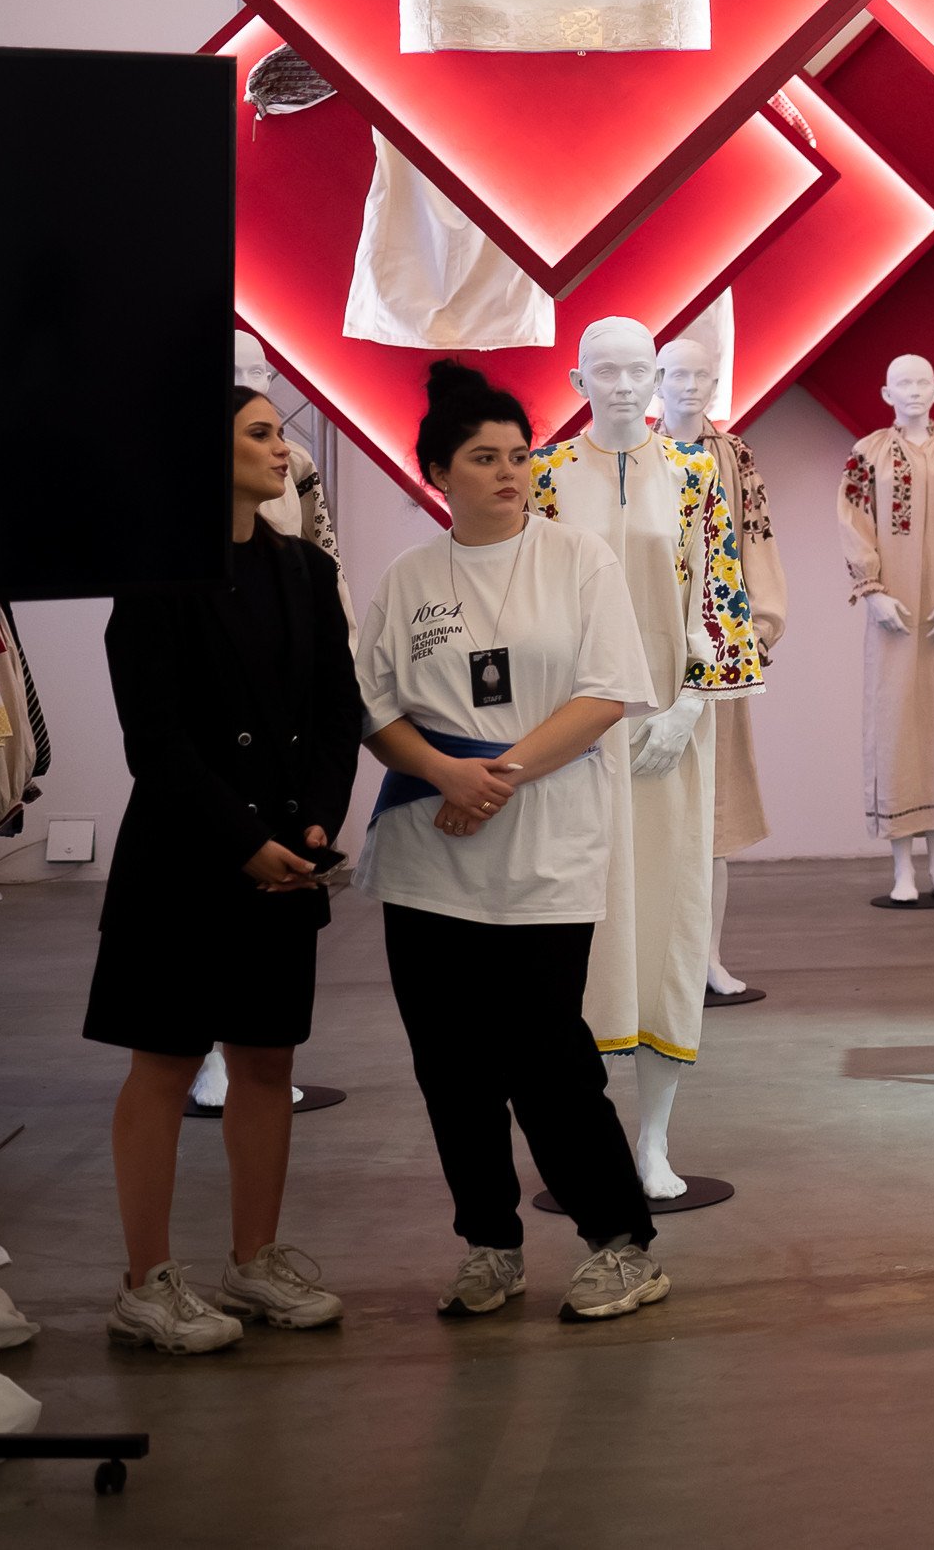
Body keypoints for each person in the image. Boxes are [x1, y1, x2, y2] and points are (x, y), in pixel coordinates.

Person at [356, 361, 673, 1325]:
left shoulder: (578, 559)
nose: (509, 472)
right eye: (484, 457)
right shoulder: (408, 578)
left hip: (545, 852)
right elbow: (372, 707)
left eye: (519, 455)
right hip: (427, 855)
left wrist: (494, 777)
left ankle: (621, 1242)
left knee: (548, 1057)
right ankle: (489, 1243)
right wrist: (444, 772)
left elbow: (607, 692)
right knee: (449, 1064)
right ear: (437, 472)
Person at [85, 387, 365, 1353]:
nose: (282, 449)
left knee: (268, 1057)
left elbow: (337, 710)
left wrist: (317, 821)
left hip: (286, 855)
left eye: (280, 433)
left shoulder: (307, 570)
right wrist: (243, 839)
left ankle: (254, 1260)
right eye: (260, 433)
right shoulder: (155, 580)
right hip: (184, 857)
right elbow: (155, 741)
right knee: (165, 1062)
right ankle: (146, 1281)